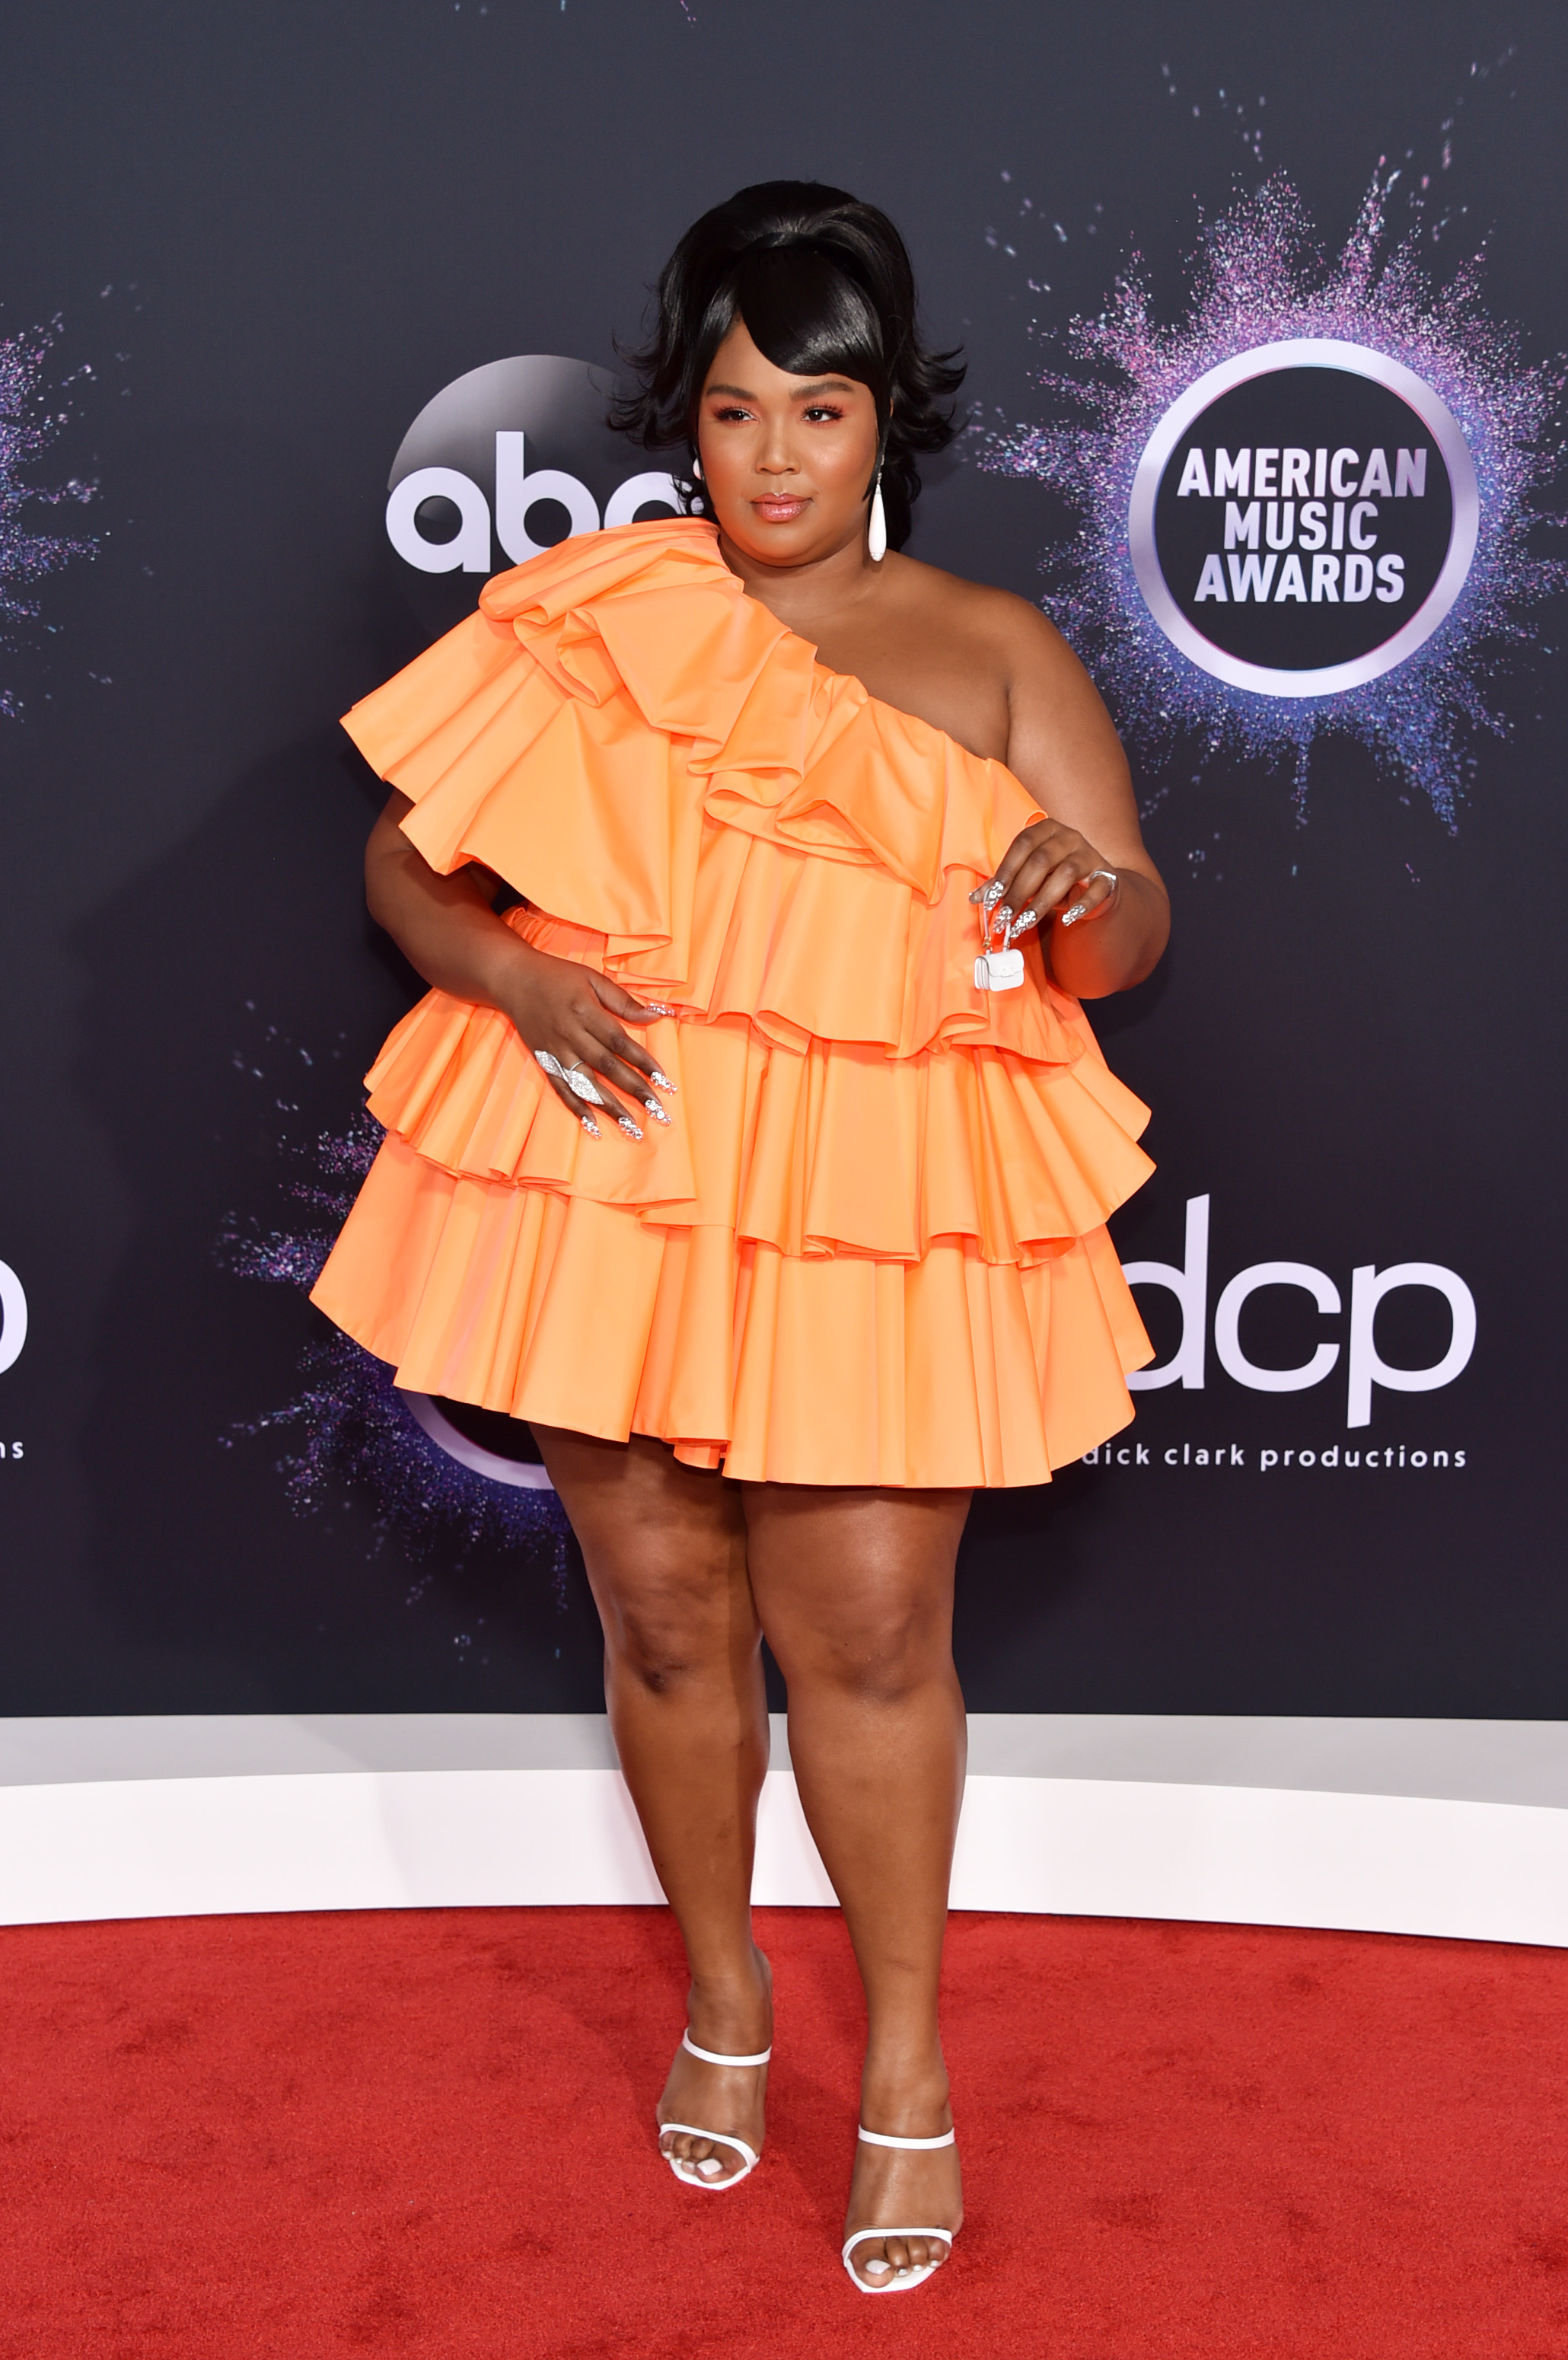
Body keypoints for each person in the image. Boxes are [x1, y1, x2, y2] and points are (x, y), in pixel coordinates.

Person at [311, 180, 1168, 2293]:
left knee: (870, 1641)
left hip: (865, 1202)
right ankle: (720, 2002)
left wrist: (1077, 889)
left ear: (891, 424)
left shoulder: (988, 650)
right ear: (680, 425)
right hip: (626, 1167)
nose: (771, 458)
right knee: (669, 1618)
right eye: (730, 410)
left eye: (820, 410)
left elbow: (1128, 927)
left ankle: (905, 2079)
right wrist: (511, 983)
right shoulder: (601, 615)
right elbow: (408, 872)